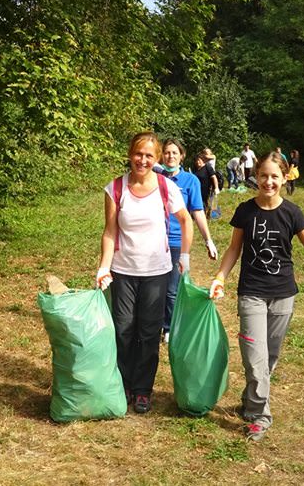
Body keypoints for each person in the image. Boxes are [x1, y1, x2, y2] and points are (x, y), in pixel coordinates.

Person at [208, 152, 304, 441]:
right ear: (255, 177)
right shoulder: (246, 211)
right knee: (254, 357)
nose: (269, 181)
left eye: (275, 176)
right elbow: (234, 249)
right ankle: (261, 416)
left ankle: (251, 400)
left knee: (268, 359)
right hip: (251, 294)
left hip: (284, 296)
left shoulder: (292, 213)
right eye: (264, 175)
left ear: (285, 178)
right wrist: (220, 277)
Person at [96, 132, 192, 414]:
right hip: (123, 270)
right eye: (138, 154)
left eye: (149, 155)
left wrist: (184, 256)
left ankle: (142, 390)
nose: (143, 160)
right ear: (130, 154)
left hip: (157, 271)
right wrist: (104, 266)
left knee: (149, 331)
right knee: (123, 329)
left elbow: (185, 221)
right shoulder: (115, 188)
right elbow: (110, 231)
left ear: (157, 158)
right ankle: (123, 384)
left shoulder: (166, 187)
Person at [159, 139, 218, 344]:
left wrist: (208, 240)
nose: (171, 156)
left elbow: (197, 212)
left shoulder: (190, 180)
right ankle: (155, 322)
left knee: (172, 289)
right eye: (167, 153)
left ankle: (169, 327)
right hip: (154, 240)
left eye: (175, 153)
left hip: (177, 240)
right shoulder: (154, 178)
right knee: (154, 285)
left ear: (182, 156)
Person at [193, 152, 219, 218]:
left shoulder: (207, 167)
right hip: (197, 189)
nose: (197, 162)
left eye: (199, 160)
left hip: (207, 189)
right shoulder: (195, 169)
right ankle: (200, 215)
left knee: (207, 203)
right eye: (196, 160)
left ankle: (209, 215)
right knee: (200, 202)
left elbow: (214, 177)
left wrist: (216, 188)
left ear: (202, 160)